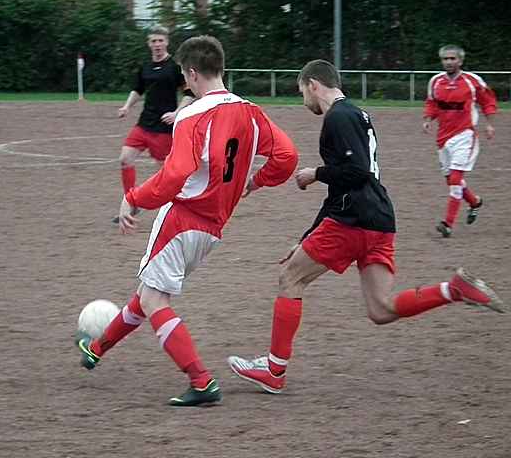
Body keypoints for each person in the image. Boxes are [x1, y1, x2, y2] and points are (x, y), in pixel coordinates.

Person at [228, 59, 504, 395]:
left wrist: (315, 173)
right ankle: (453, 290)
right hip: (379, 218)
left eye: (302, 91)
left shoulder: (338, 117)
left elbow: (355, 172)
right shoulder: (358, 114)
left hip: (353, 219)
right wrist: (307, 237)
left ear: (314, 84)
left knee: (291, 277)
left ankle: (274, 370)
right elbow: (345, 186)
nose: (303, 101)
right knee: (380, 309)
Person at [75, 35, 299, 406]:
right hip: (212, 229)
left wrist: (133, 199)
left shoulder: (193, 113)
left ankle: (201, 381)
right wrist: (255, 182)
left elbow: (176, 174)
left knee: (152, 297)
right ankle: (96, 348)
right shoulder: (252, 112)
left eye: (184, 75)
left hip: (182, 218)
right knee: (148, 293)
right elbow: (287, 157)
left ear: (192, 73)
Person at [112, 25, 196, 223]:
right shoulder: (146, 67)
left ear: (167, 42)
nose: (157, 44)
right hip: (144, 124)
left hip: (164, 128)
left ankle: (186, 207)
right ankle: (132, 204)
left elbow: (190, 92)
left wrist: (177, 113)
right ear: (148, 44)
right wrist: (126, 107)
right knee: (125, 159)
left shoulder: (175, 68)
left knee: (167, 173)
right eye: (153, 41)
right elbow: (137, 90)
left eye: (160, 40)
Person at [422, 44, 497, 238]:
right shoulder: (436, 81)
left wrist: (489, 123)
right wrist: (428, 119)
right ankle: (474, 202)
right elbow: (432, 103)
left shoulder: (472, 81)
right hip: (443, 138)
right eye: (445, 59)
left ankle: (448, 224)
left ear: (460, 61)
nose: (448, 62)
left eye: (452, 58)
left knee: (455, 178)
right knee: (451, 180)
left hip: (465, 135)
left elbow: (487, 101)